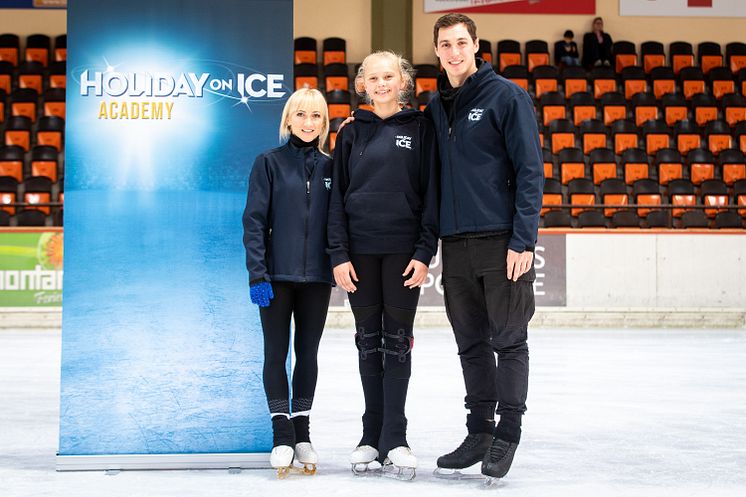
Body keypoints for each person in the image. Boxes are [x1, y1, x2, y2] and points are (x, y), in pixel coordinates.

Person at [425, 13, 543, 480]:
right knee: (470, 343)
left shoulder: (507, 97)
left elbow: (530, 172)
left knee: (509, 340)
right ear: (436, 50)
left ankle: (508, 432)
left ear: (475, 45)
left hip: (501, 242)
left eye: (460, 43)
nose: (454, 52)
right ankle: (479, 431)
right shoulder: (437, 106)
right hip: (456, 244)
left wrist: (523, 240)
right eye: (445, 44)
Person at [327, 50, 438, 479]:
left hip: (403, 253)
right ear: (362, 85)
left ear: (403, 81)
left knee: (397, 342)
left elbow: (431, 195)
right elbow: (336, 198)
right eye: (373, 78)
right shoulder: (350, 133)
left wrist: (425, 252)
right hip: (359, 255)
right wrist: (338, 254)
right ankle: (369, 437)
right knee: (367, 342)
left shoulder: (421, 128)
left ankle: (397, 437)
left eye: (389, 76)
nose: (381, 84)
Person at [242, 88, 333, 477]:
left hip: (317, 278)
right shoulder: (269, 163)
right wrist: (258, 274)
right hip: (276, 278)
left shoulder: (333, 167)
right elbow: (254, 222)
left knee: (308, 353)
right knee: (276, 352)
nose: (308, 123)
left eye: (316, 116)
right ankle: (282, 434)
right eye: (301, 115)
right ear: (288, 120)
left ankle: (302, 433)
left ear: (324, 122)